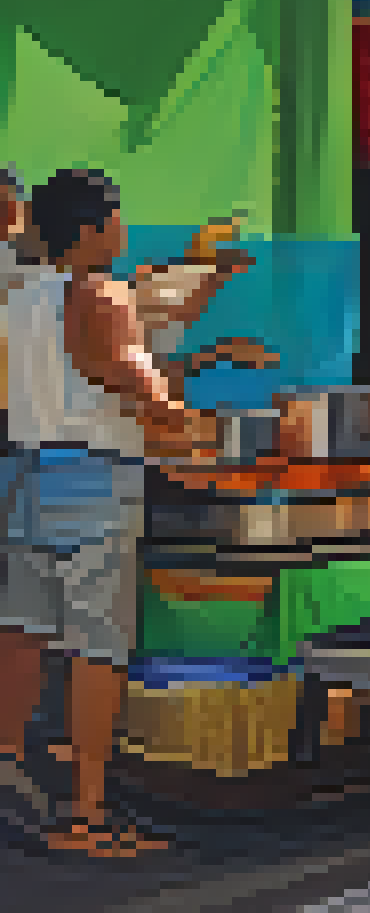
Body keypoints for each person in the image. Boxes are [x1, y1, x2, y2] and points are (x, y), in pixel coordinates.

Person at [0, 169, 212, 857]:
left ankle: (11, 778)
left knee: (23, 629)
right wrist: (185, 422)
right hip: (94, 480)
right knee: (98, 648)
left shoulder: (21, 296)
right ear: (96, 228)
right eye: (118, 219)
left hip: (27, 471)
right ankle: (87, 815)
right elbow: (137, 383)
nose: (122, 231)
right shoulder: (102, 293)